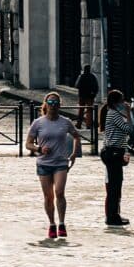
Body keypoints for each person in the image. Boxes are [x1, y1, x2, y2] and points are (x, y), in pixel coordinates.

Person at [26, 94, 79, 238]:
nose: (53, 105)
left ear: (59, 105)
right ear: (46, 104)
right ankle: (52, 224)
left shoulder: (66, 122)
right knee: (48, 196)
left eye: (56, 102)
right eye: (50, 102)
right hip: (44, 163)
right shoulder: (38, 123)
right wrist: (38, 149)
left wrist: (74, 153)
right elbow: (28, 144)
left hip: (61, 162)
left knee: (60, 192)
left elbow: (76, 136)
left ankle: (62, 223)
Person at [98, 88, 132, 226]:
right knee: (114, 186)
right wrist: (129, 113)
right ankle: (112, 216)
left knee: (116, 184)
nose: (124, 103)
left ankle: (115, 214)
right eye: (122, 100)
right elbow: (129, 129)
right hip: (113, 153)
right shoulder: (114, 114)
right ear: (117, 101)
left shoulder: (113, 113)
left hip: (114, 152)